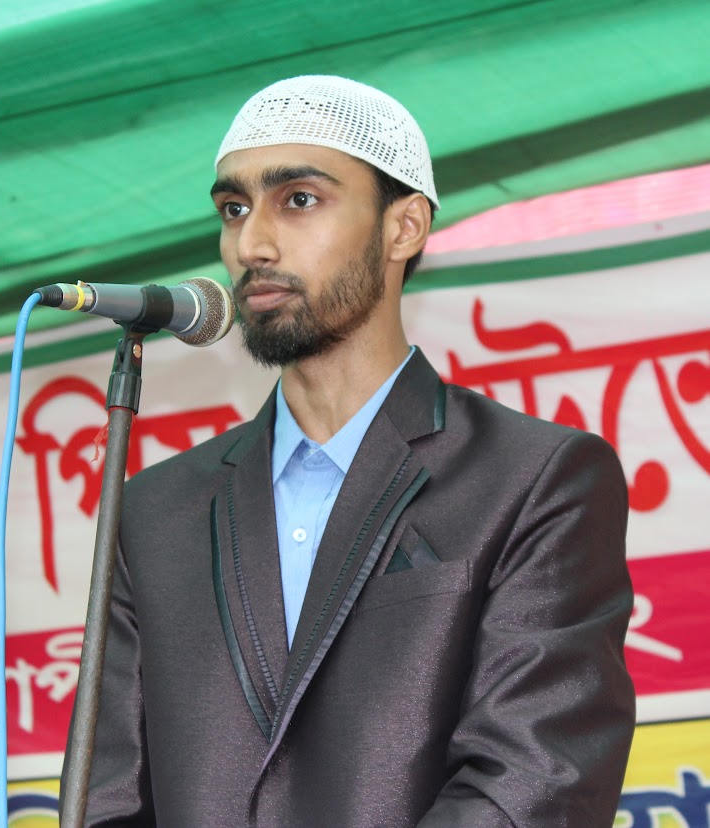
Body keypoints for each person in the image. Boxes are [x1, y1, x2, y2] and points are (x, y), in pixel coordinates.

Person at [62, 75, 635, 827]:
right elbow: (107, 799)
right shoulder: (155, 510)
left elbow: (532, 782)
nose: (252, 244)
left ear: (404, 227)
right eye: (234, 209)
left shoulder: (534, 478)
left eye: (299, 199)